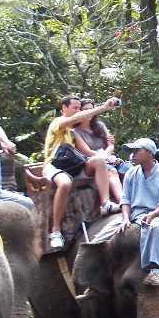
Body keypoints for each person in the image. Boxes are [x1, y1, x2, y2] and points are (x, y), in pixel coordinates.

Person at [41, 95, 120, 251]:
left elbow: (89, 153)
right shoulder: (59, 123)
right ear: (64, 108)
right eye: (75, 108)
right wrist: (105, 107)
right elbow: (76, 119)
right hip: (53, 166)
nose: (77, 111)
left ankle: (106, 204)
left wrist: (108, 156)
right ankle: (55, 231)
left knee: (99, 162)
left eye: (79, 108)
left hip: (73, 166)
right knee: (65, 183)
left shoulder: (73, 132)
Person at [118, 137, 159, 287]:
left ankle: (154, 270)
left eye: (137, 151)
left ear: (150, 153)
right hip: (135, 215)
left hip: (158, 215)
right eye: (132, 151)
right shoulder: (131, 174)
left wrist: (152, 215)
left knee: (154, 227)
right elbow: (125, 200)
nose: (132, 155)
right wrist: (125, 219)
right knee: (106, 236)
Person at [74, 97, 124, 203]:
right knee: (112, 171)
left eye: (91, 109)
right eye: (85, 109)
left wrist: (107, 156)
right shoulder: (75, 132)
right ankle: (123, 202)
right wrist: (107, 159)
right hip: (91, 161)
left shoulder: (100, 126)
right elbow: (87, 151)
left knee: (128, 168)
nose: (89, 112)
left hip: (107, 157)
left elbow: (111, 145)